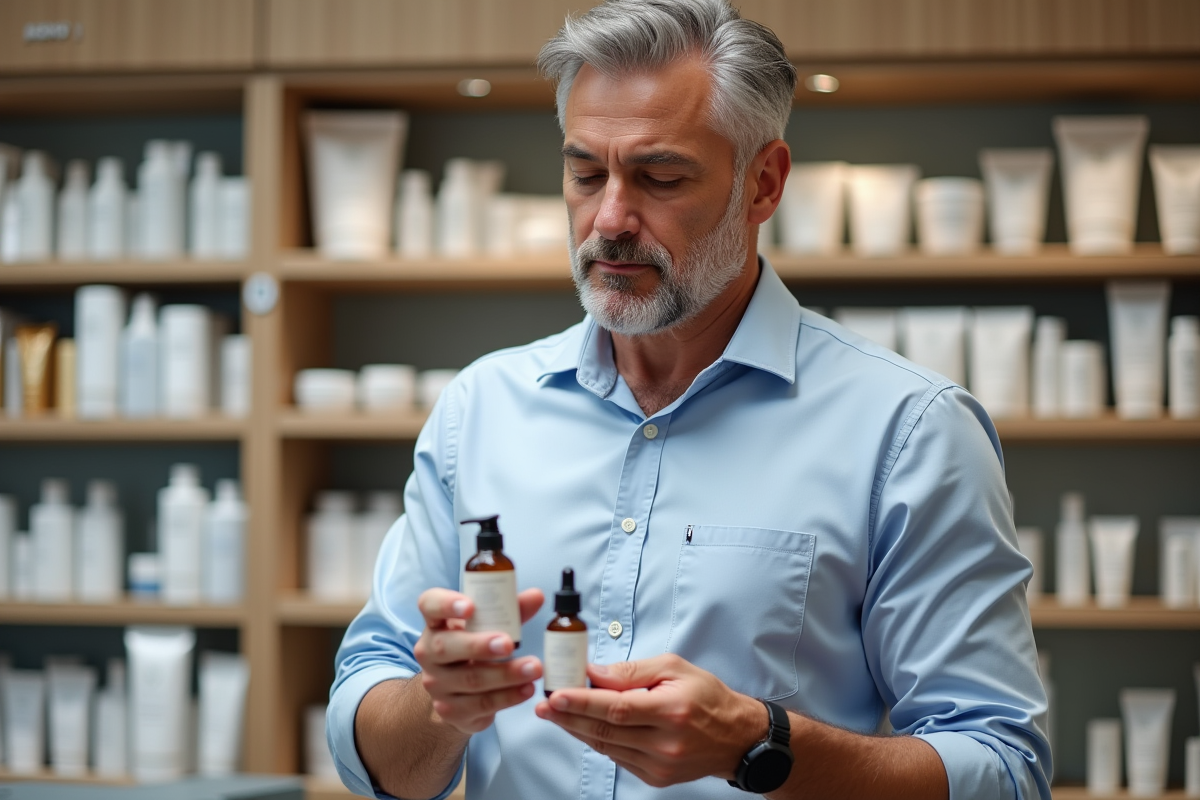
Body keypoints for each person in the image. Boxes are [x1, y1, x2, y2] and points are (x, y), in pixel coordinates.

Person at [328, 1, 1052, 798]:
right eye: (585, 173)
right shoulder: (481, 410)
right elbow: (376, 753)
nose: (609, 220)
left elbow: (1006, 772)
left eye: (660, 176)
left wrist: (759, 743)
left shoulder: (909, 432)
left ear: (764, 183)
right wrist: (444, 708)